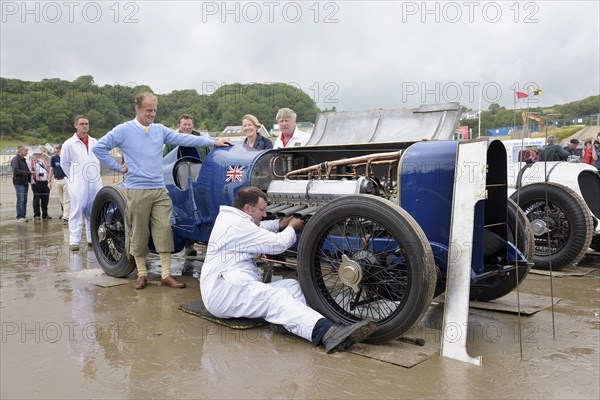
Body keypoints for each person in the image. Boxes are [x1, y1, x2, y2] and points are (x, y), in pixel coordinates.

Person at [200, 187, 377, 353]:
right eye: (261, 210)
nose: (265, 214)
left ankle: (308, 323)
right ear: (248, 208)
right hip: (223, 291)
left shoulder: (235, 219)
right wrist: (292, 227)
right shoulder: (236, 225)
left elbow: (258, 228)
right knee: (276, 298)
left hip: (233, 284)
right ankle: (327, 334)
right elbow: (278, 244)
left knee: (292, 286)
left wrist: (280, 222)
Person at [93, 92, 233, 290]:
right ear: (138, 109)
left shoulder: (159, 130)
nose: (152, 114)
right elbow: (99, 148)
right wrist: (118, 167)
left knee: (164, 229)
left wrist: (213, 143)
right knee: (139, 231)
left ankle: (166, 275)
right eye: (149, 110)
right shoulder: (124, 130)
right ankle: (142, 274)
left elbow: (186, 139)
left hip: (159, 188)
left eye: (155, 110)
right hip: (137, 188)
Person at [61, 115, 104, 251]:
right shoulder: (69, 143)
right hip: (77, 180)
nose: (85, 126)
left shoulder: (95, 142)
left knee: (93, 209)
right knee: (77, 208)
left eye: (87, 123)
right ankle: (74, 240)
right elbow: (64, 163)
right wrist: (74, 176)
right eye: (82, 124)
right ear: (76, 125)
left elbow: (99, 159)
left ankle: (92, 239)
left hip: (94, 180)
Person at [49, 144, 70, 225]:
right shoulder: (54, 158)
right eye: (55, 149)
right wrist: (49, 180)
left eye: (58, 149)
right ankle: (67, 214)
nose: (56, 151)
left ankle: (66, 217)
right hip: (57, 180)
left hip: (66, 180)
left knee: (66, 200)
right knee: (61, 200)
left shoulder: (66, 157)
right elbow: (51, 169)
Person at [11, 145, 33, 222]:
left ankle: (23, 216)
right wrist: (29, 172)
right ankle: (19, 217)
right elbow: (16, 171)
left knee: (24, 200)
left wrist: (31, 180)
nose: (27, 152)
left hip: (25, 182)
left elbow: (27, 171)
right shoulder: (15, 159)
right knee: (20, 200)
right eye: (26, 151)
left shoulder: (23, 159)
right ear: (21, 151)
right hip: (19, 182)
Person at [29, 148, 52, 221]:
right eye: (37, 154)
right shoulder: (31, 163)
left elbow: (49, 171)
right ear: (34, 155)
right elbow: (29, 172)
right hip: (36, 183)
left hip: (45, 182)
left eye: (39, 154)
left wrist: (49, 181)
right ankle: (36, 215)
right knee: (36, 199)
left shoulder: (44, 162)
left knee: (45, 199)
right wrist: (31, 182)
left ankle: (45, 214)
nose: (38, 155)